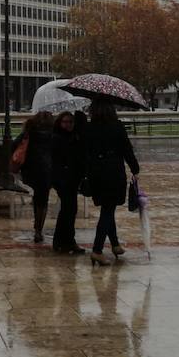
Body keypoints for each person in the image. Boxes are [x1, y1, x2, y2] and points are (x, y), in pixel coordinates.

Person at [84, 99, 139, 265]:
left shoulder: (89, 128)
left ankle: (115, 244)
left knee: (108, 209)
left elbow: (85, 151)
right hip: (113, 172)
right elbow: (127, 150)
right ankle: (97, 249)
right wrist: (135, 169)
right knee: (108, 211)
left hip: (96, 173)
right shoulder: (117, 127)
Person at [13, 111, 54, 243]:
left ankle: (37, 228)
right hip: (48, 171)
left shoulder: (29, 133)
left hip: (31, 171)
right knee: (44, 200)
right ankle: (39, 229)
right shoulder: (53, 134)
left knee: (37, 198)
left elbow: (14, 145)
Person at [50, 111, 85, 254]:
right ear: (60, 122)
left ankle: (62, 241)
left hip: (72, 178)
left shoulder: (74, 136)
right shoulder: (57, 138)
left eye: (71, 122)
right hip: (63, 179)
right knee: (68, 210)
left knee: (69, 210)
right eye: (65, 122)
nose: (68, 124)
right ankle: (67, 241)